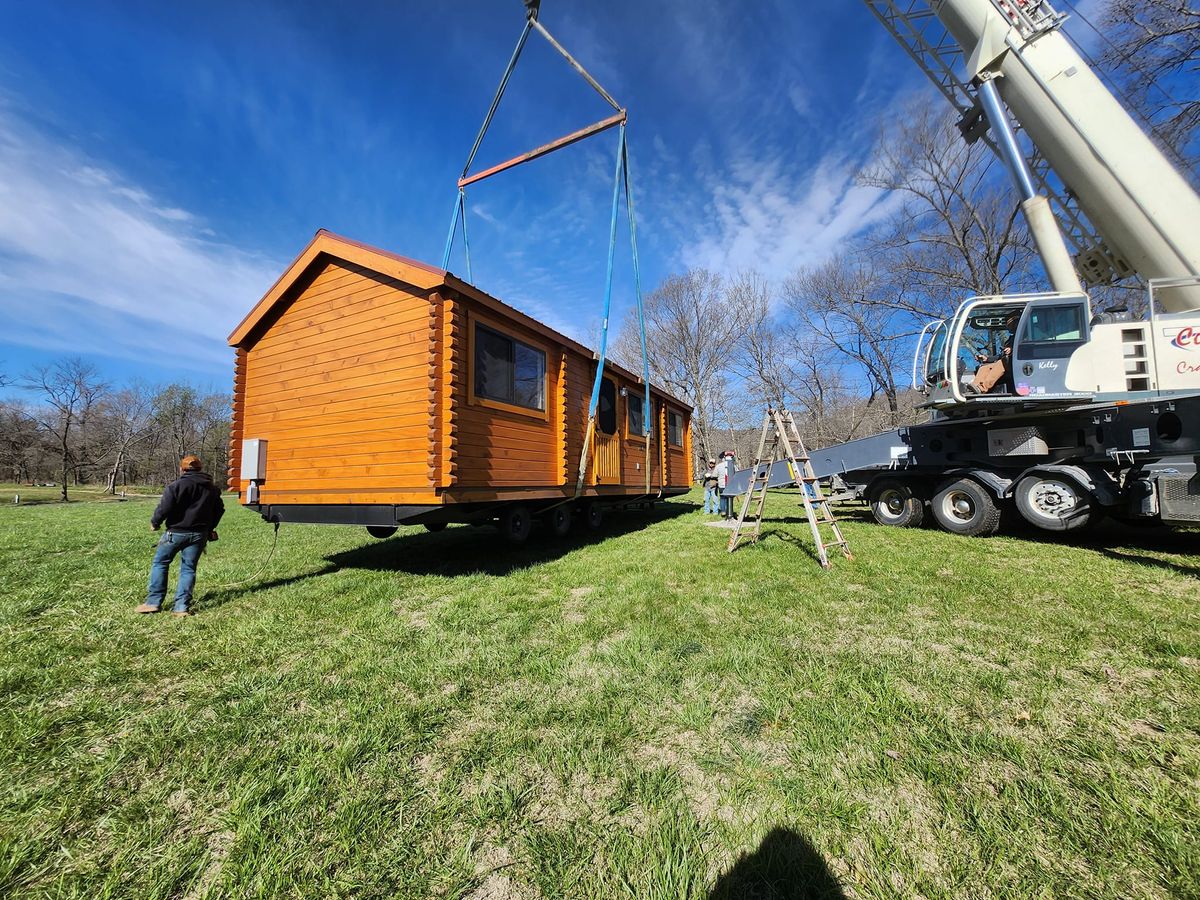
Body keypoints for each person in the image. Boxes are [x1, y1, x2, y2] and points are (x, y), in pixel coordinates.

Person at [136, 455, 225, 617]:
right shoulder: (212, 488)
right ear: (200, 469)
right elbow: (219, 510)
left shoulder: (176, 486)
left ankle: (153, 603)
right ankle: (181, 608)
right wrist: (210, 527)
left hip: (175, 533)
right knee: (188, 569)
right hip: (199, 535)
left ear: (182, 469)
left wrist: (155, 523)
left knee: (160, 563)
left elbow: (164, 508)